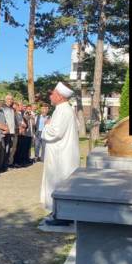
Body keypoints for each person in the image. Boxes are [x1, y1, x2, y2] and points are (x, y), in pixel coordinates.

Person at [41, 82, 80, 226]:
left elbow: (55, 132)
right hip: (61, 153)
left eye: (52, 94)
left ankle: (62, 215)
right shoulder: (63, 109)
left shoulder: (63, 110)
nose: (50, 96)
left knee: (59, 182)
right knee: (60, 183)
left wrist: (46, 126)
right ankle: (59, 212)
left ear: (59, 96)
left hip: (61, 156)